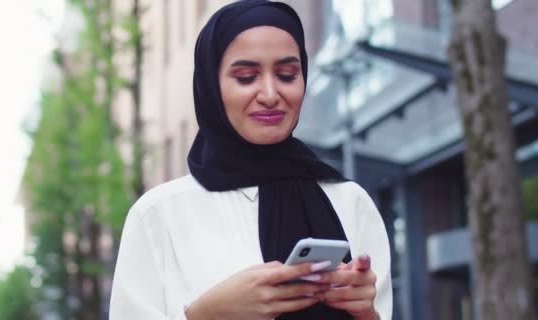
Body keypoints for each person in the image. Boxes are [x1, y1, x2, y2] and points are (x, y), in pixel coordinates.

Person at [109, 1, 392, 319]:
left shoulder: (350, 202)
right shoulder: (158, 216)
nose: (270, 94)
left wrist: (368, 314)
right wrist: (204, 316)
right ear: (211, 85)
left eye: (287, 75)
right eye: (246, 77)